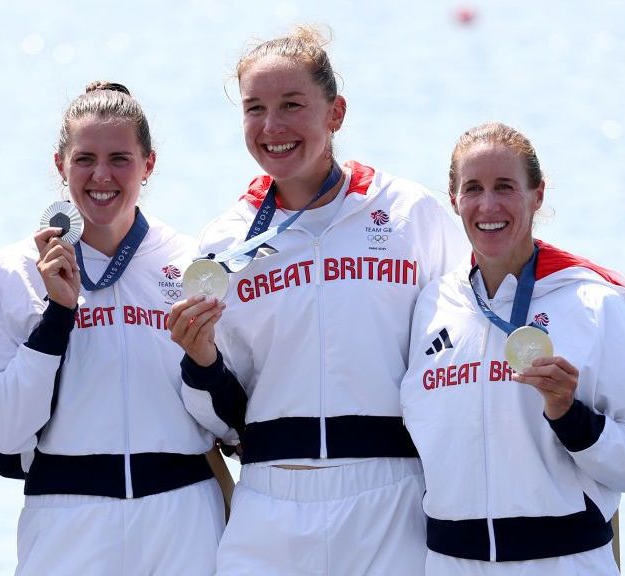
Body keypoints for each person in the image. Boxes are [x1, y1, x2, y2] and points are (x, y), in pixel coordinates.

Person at [168, 27, 468, 575]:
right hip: (271, 497)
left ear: (336, 112)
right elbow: (223, 415)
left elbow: (462, 351)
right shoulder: (224, 241)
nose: (272, 127)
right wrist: (201, 358)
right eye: (255, 108)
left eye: (292, 105)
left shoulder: (410, 214)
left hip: (392, 493)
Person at [0, 81, 225, 575]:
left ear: (148, 165)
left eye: (120, 159)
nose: (101, 176)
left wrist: (206, 362)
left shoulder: (191, 261)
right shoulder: (15, 269)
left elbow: (231, 422)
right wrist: (57, 316)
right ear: (59, 164)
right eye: (84, 159)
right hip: (67, 517)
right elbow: (0, 430)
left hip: (183, 516)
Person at [400, 122, 625, 574]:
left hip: (562, 561)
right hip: (450, 562)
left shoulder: (593, 303)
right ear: (453, 200)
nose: (488, 205)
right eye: (473, 188)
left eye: (505, 187)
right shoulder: (432, 303)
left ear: (537, 195)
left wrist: (570, 415)